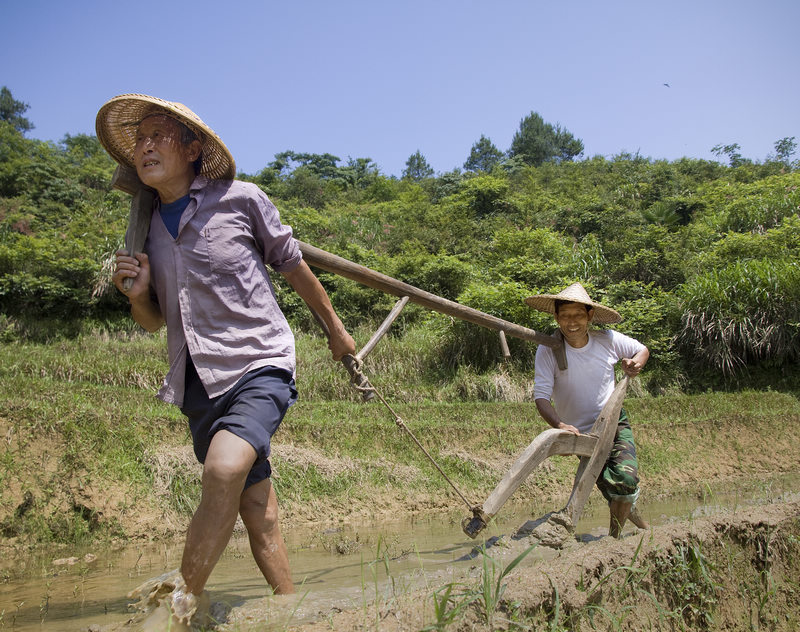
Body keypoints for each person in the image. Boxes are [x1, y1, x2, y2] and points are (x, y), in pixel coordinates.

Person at [97, 94, 355, 622]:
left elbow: (293, 266)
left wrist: (335, 328)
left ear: (193, 149)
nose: (145, 146)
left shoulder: (241, 200)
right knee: (259, 516)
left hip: (260, 361)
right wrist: (136, 294)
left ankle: (177, 608)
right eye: (139, 139)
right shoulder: (142, 228)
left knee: (223, 468)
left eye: (158, 135)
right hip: (198, 380)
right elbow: (154, 323)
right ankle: (294, 612)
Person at [526, 282, 650, 538]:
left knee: (623, 483)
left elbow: (642, 350)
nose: (572, 322)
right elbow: (541, 397)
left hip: (613, 422)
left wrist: (634, 364)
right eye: (566, 316)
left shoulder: (608, 340)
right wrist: (559, 426)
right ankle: (632, 533)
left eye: (578, 315)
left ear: (590, 316)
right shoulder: (549, 349)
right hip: (580, 432)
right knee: (611, 485)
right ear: (556, 317)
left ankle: (615, 539)